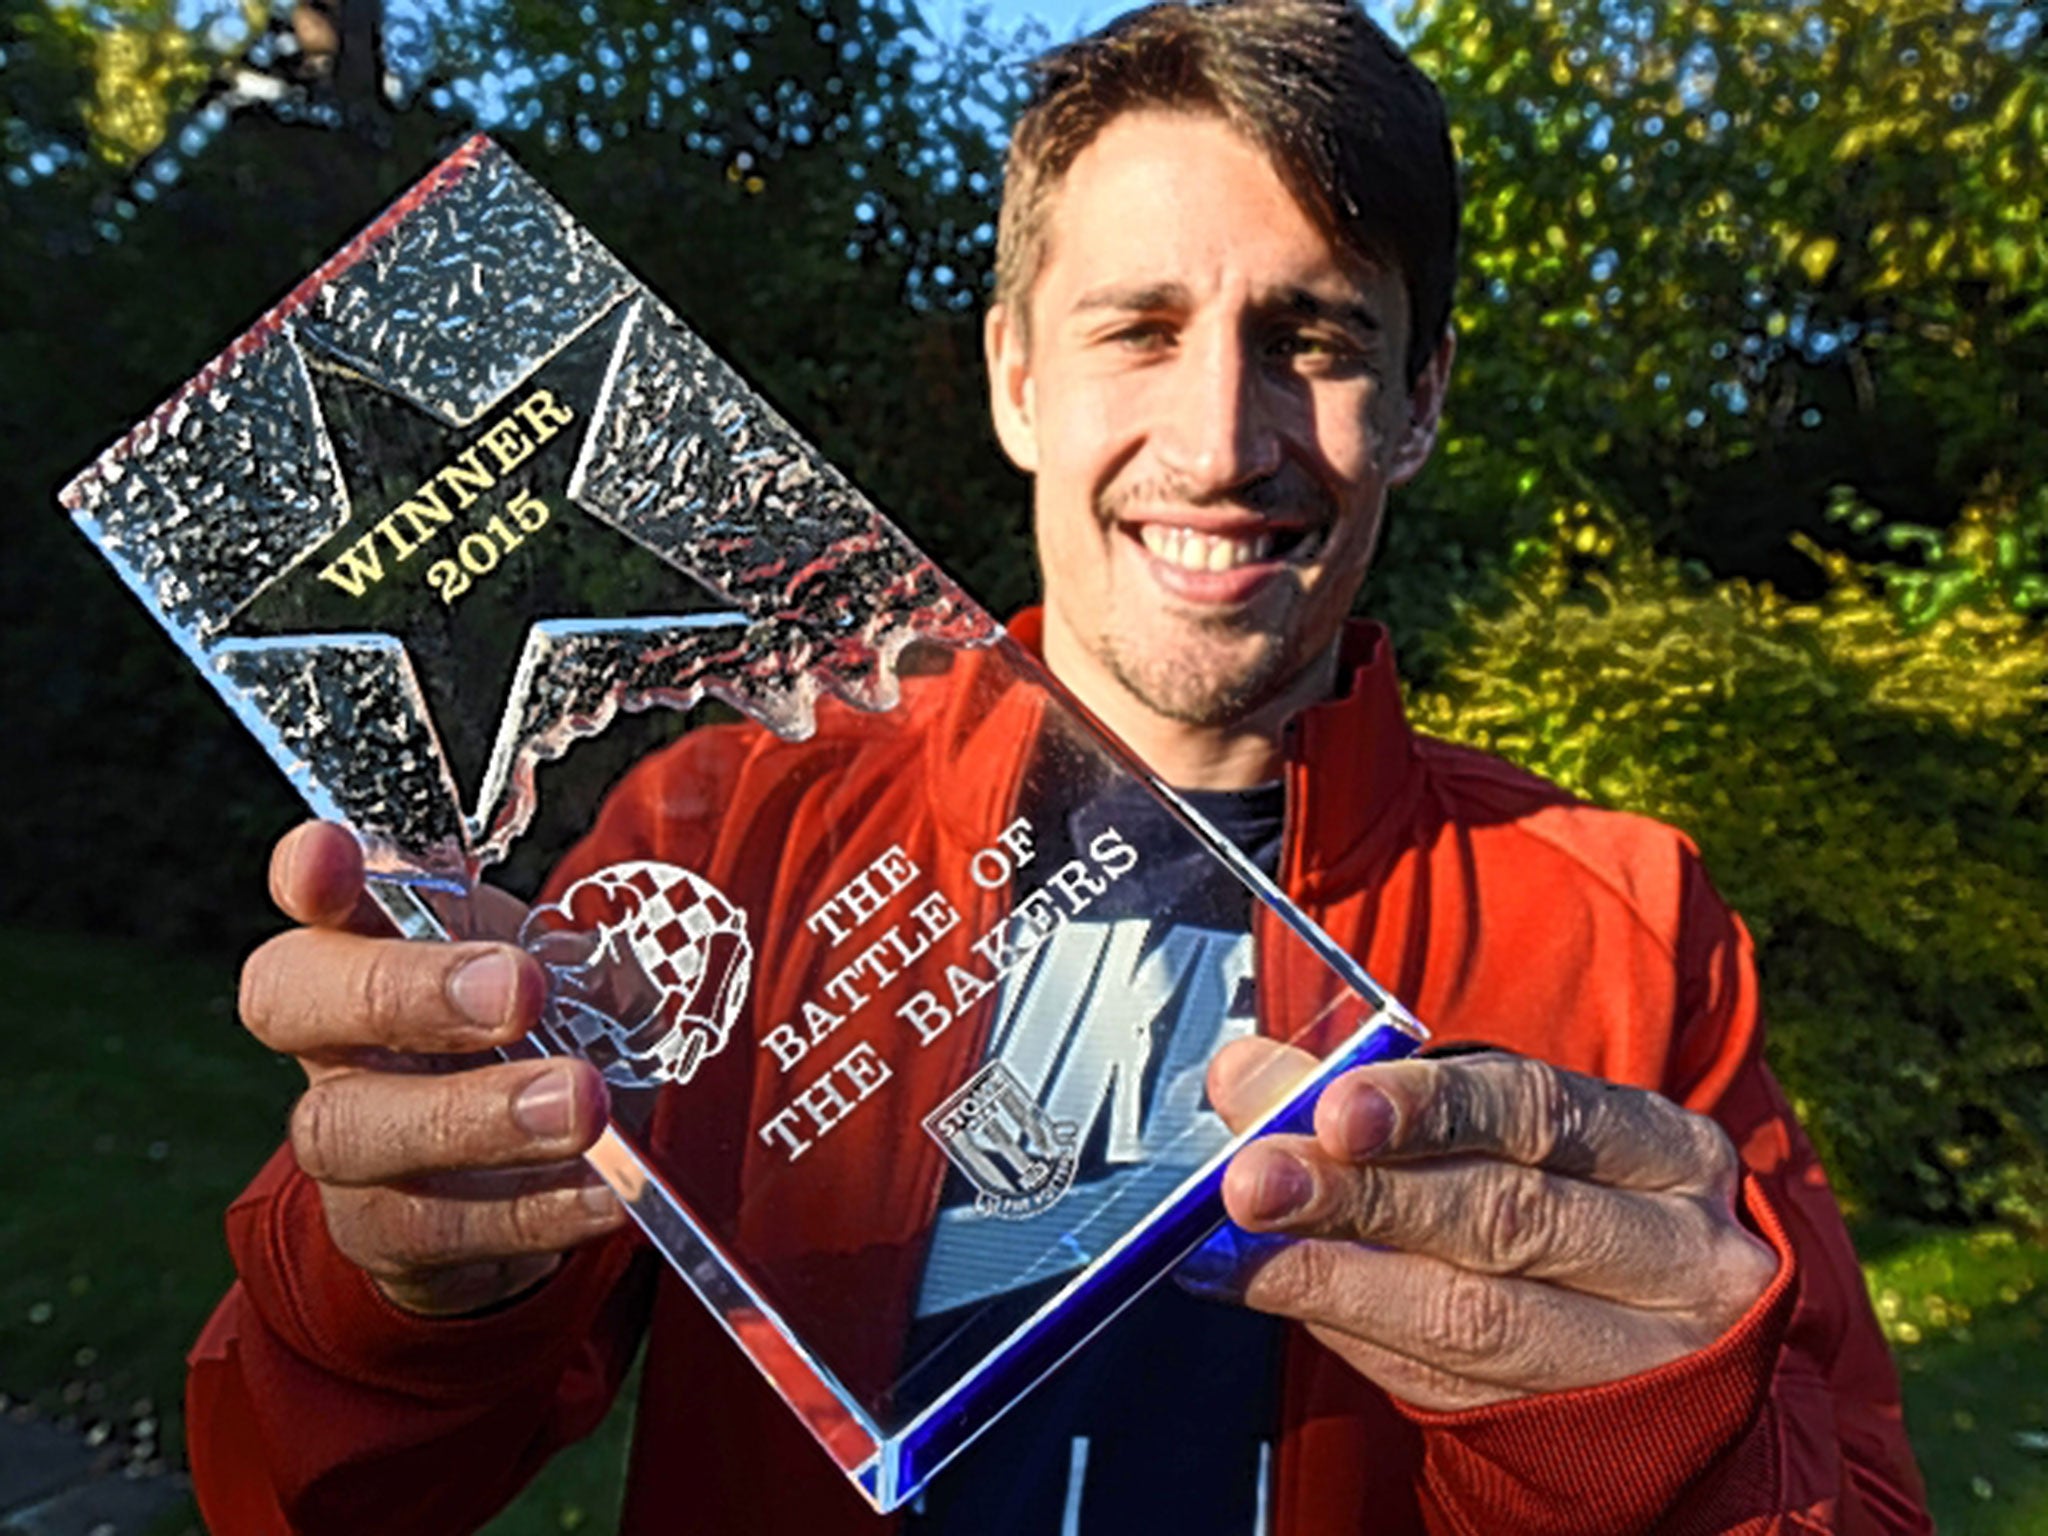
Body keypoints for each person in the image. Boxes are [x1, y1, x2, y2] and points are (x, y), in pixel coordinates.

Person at [191, 1, 1933, 1531]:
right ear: (1016, 376)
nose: (1222, 439)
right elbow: (318, 1490)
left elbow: (1845, 1502)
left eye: (1314, 339)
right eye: (1140, 327)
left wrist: (1652, 1438)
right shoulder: (734, 835)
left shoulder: (1622, 917)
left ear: (1419, 402)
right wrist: (391, 1286)